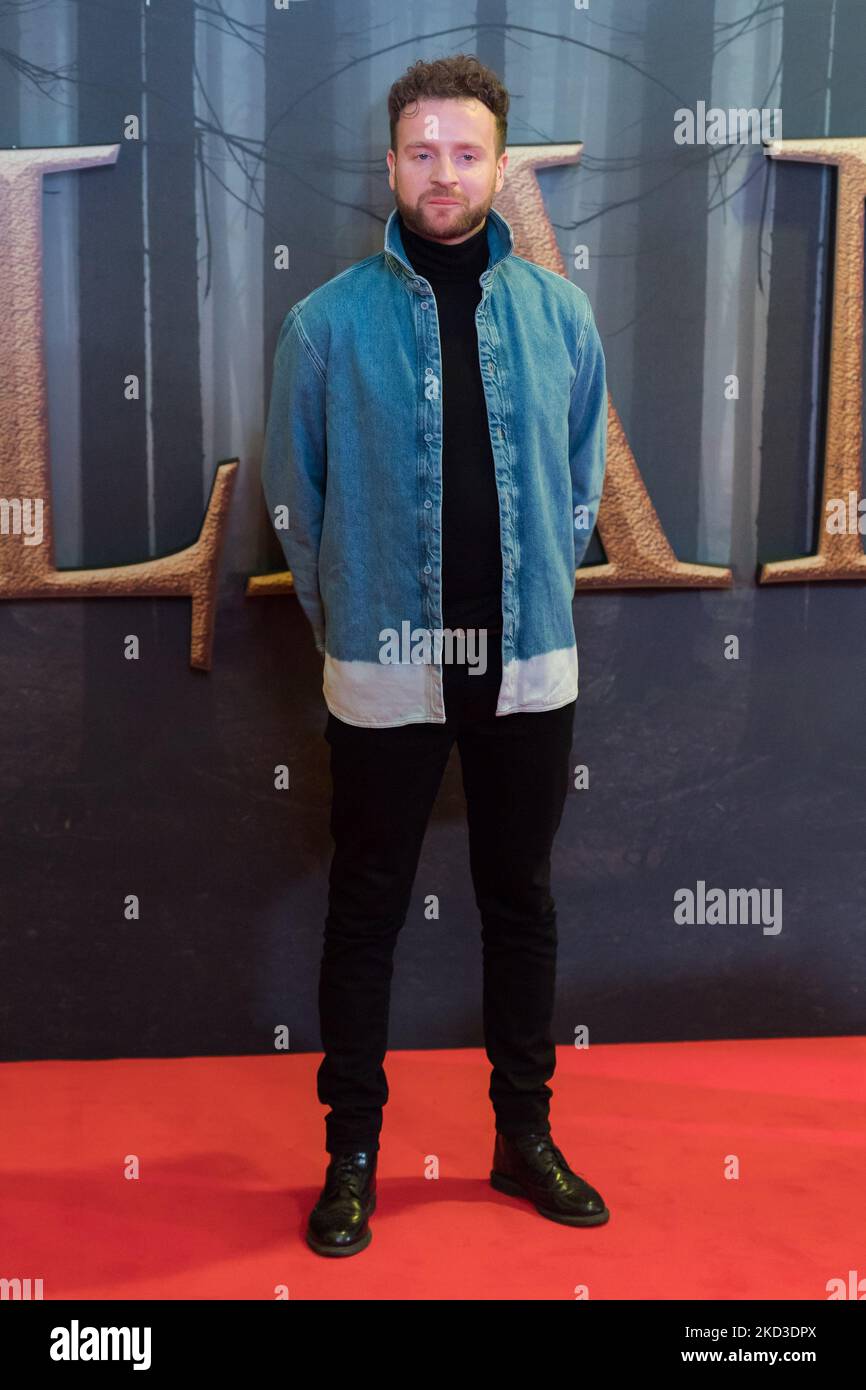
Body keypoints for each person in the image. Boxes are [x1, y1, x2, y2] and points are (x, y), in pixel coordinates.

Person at [261, 54, 610, 1258]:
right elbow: (295, 510)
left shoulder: (560, 315)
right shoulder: (324, 324)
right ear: (393, 161)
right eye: (422, 151)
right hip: (385, 662)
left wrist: (537, 596)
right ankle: (349, 1158)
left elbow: (578, 487)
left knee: (521, 901)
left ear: (499, 164)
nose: (444, 172)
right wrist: (349, 619)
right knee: (363, 911)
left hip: (525, 664)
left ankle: (523, 1137)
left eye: (466, 152)